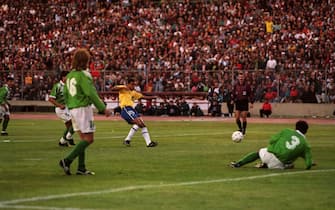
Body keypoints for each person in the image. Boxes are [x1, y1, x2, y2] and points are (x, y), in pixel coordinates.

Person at [59, 48, 111, 176]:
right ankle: (67, 160)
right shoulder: (84, 74)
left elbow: (65, 93)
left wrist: (69, 106)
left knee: (82, 138)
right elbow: (90, 92)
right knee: (89, 139)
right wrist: (102, 108)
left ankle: (81, 168)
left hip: (72, 108)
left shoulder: (70, 75)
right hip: (82, 108)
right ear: (86, 61)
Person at [231, 120, 313, 170]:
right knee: (290, 163)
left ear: (296, 127)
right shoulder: (306, 145)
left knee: (258, 153)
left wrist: (273, 146)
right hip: (278, 164)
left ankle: (238, 163)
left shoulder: (286, 131)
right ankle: (285, 165)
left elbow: (272, 140)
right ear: (306, 131)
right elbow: (308, 164)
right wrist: (309, 163)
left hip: (269, 154)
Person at [111, 78, 158, 147]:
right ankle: (147, 143)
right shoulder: (123, 89)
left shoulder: (134, 93)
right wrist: (123, 86)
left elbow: (143, 97)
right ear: (128, 84)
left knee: (142, 124)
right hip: (126, 109)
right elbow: (113, 89)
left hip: (132, 109)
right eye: (132, 84)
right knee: (139, 123)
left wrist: (153, 97)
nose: (133, 86)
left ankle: (146, 142)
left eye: (134, 85)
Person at [48, 71, 75, 147]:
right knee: (75, 122)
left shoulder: (69, 86)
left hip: (67, 108)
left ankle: (62, 142)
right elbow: (51, 99)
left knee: (69, 126)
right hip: (61, 110)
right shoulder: (57, 86)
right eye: (67, 76)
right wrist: (59, 105)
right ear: (63, 77)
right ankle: (68, 137)